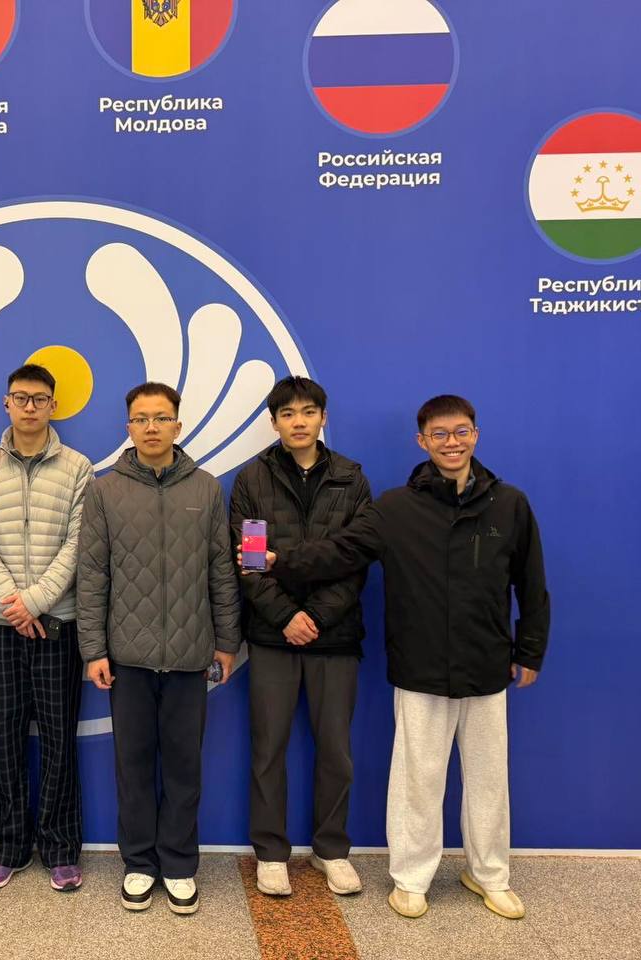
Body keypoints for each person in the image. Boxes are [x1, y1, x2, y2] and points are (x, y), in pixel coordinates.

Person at [253, 395, 549, 920]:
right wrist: (281, 560)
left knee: (488, 781)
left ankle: (489, 874)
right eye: (440, 434)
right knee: (417, 779)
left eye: (461, 432)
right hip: (420, 666)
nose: (451, 443)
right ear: (422, 441)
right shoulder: (395, 508)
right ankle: (411, 879)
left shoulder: (509, 504)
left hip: (487, 665)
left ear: (476, 435)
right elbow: (341, 552)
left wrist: (529, 649)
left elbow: (531, 584)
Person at [78, 382, 241, 915]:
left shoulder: (206, 488)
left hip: (191, 656)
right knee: (132, 765)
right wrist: (94, 649)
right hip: (126, 658)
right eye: (141, 418)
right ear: (128, 427)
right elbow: (92, 576)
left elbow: (221, 570)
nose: (151, 427)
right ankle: (139, 863)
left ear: (178, 425)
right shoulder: (104, 491)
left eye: (161, 417)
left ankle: (179, 863)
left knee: (183, 766)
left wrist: (226, 640)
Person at [229, 376, 371, 899]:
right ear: (274, 422)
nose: (298, 422)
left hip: (336, 636)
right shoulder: (253, 479)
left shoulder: (351, 478)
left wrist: (317, 616)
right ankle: (271, 852)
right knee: (269, 748)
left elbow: (356, 559)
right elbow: (249, 563)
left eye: (308, 412)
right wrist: (288, 616)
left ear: (323, 418)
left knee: (336, 750)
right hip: (273, 636)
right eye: (287, 414)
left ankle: (331, 850)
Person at [0, 363, 94, 891]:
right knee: (6, 740)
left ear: (54, 405)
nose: (30, 407)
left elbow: (79, 543)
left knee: (60, 740)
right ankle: (8, 847)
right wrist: (12, 604)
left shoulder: (78, 468)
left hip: (58, 623)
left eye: (40, 399)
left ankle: (61, 849)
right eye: (21, 397)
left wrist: (36, 602)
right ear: (7, 403)